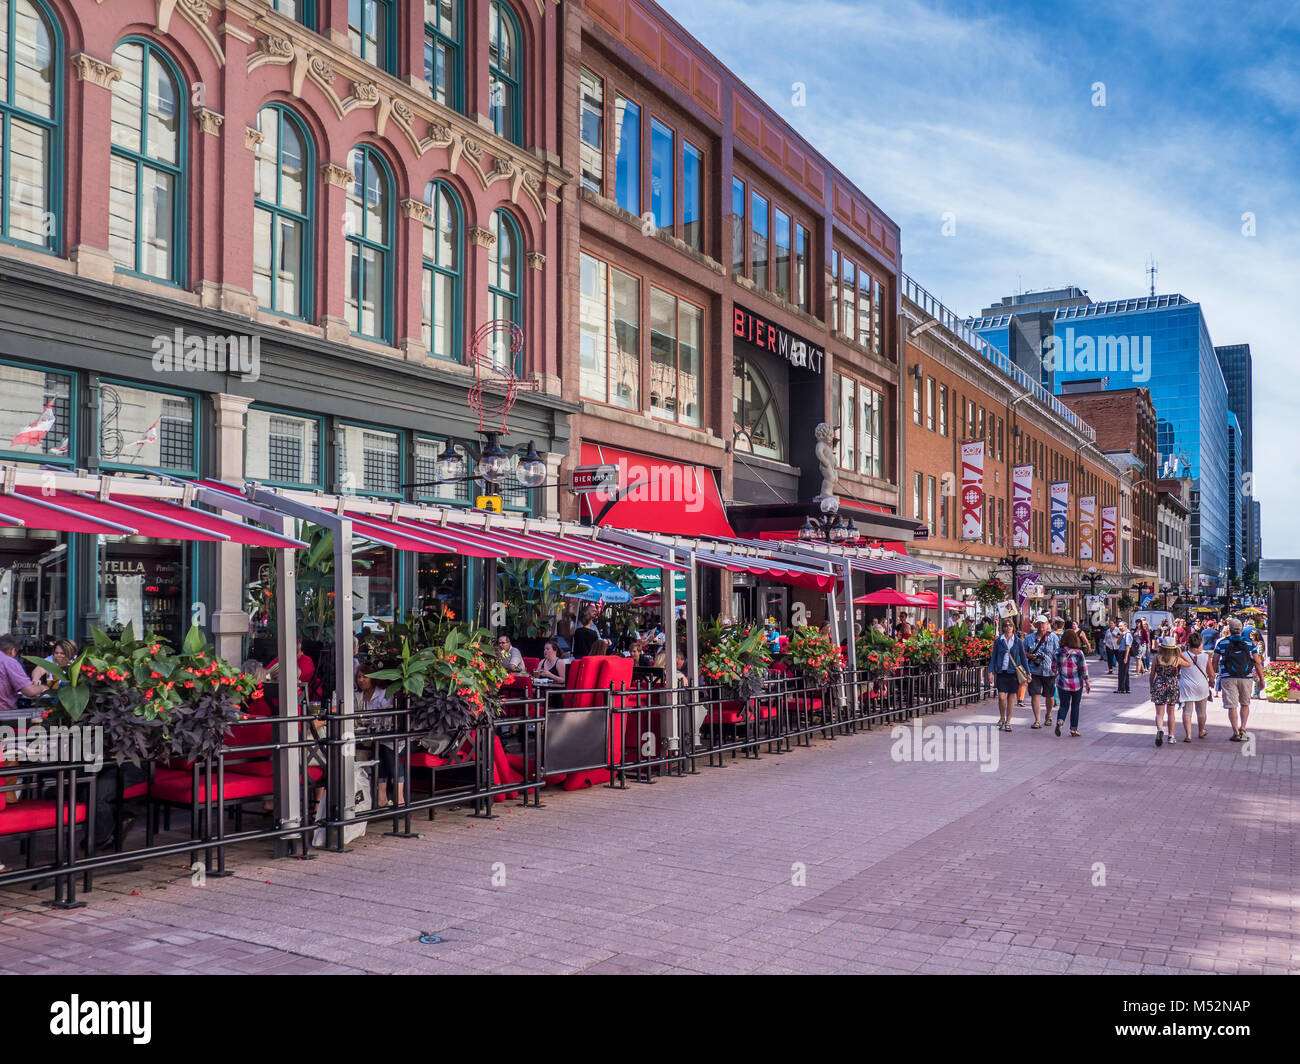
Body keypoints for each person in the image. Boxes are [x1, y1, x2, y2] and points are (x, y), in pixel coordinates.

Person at [355, 666, 403, 807]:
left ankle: (396, 798)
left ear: (374, 678)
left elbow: (389, 714)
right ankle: (383, 798)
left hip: (386, 734)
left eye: (365, 676)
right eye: (359, 677)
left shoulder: (384, 694)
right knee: (381, 749)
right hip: (369, 734)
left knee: (386, 749)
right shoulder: (357, 695)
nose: (361, 680)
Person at [1214, 617, 1264, 742]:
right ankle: (1243, 727)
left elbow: (1214, 660)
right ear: (1241, 629)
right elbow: (1257, 662)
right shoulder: (1249, 643)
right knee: (1245, 703)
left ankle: (1235, 732)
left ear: (1229, 629)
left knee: (1232, 705)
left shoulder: (1222, 642)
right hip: (1246, 676)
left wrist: (1212, 676)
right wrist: (1261, 679)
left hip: (1228, 676)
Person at [986, 618, 1029, 732]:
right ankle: (1002, 717)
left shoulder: (1018, 641)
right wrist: (990, 672)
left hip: (1013, 673)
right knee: (1001, 697)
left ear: (1013, 627)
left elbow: (1023, 658)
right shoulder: (998, 641)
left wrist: (1028, 672)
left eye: (1010, 625)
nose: (1008, 627)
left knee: (1011, 697)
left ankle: (1008, 722)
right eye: (1005, 625)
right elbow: (993, 657)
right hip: (1001, 672)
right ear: (1003, 627)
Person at [1053, 629, 1092, 736]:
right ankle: (1073, 729)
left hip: (1062, 683)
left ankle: (1060, 721)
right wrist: (1087, 682)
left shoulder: (1057, 652)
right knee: (1075, 705)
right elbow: (1083, 669)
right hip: (1076, 684)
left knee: (1064, 705)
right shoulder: (1079, 653)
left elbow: (1053, 668)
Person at [1023, 615, 1059, 729]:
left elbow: (1058, 653)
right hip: (1034, 670)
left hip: (1049, 671)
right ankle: (1037, 720)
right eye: (1038, 623)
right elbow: (1023, 653)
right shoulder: (1029, 638)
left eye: (1043, 623)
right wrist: (1029, 655)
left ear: (1047, 624)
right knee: (1035, 694)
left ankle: (1048, 715)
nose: (1041, 626)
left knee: (1049, 696)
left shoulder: (1053, 637)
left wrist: (1058, 668)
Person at [0, 635, 47, 720]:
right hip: (4, 715)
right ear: (13, 650)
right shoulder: (8, 661)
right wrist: (43, 688)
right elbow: (30, 691)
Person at [1179, 630, 1214, 742]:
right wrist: (1212, 681)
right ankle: (1201, 730)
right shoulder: (1205, 656)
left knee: (1187, 712)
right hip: (1202, 686)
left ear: (1188, 643)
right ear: (1200, 643)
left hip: (1186, 686)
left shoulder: (1183, 655)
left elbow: (1177, 669)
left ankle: (1188, 735)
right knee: (1202, 711)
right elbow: (1211, 673)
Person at [1149, 636, 1183, 747]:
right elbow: (1189, 663)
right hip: (1172, 685)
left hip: (1159, 683)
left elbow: (1152, 674)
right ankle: (1171, 736)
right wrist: (1179, 652)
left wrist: (1151, 686)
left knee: (1159, 713)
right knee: (1171, 712)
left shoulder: (1157, 658)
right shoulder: (1176, 659)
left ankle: (1159, 729)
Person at [1115, 621, 1134, 694]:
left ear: (1125, 626)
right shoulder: (1123, 634)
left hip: (1124, 653)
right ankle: (1126, 688)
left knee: (1122, 672)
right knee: (1123, 671)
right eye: (1119, 626)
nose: (1119, 627)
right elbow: (1118, 643)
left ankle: (1121, 689)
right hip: (1120, 652)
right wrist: (1121, 635)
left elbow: (1128, 646)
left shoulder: (1128, 634)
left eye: (1121, 626)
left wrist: (1126, 657)